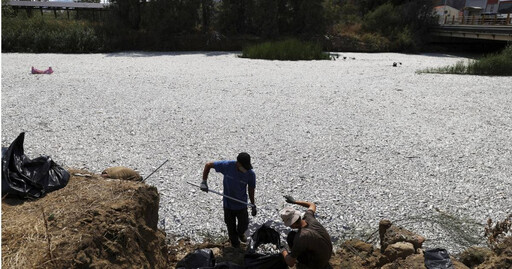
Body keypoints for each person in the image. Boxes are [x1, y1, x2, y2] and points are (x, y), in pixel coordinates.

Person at [200, 152, 257, 248]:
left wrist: (253, 205)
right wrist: (204, 182)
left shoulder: (250, 174)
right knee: (231, 228)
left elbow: (251, 190)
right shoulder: (227, 166)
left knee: (243, 225)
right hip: (228, 205)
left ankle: (241, 233)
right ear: (238, 163)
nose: (245, 169)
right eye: (244, 166)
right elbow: (208, 165)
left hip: (241, 204)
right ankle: (235, 246)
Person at [280, 195, 333, 269]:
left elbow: (290, 263)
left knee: (291, 237)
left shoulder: (301, 237)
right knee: (293, 236)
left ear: (293, 223)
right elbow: (312, 205)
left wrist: (283, 250)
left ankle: (304, 265)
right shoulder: (309, 217)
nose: (289, 226)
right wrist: (294, 201)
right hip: (327, 255)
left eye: (289, 224)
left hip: (318, 265)